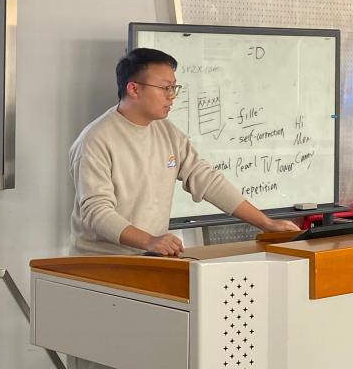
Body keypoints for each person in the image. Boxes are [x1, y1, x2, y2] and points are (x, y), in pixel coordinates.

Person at [69, 47, 300, 255]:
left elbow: (206, 179)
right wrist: (150, 241)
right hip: (102, 264)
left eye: (174, 88)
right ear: (134, 89)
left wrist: (266, 223)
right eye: (165, 88)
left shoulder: (168, 132)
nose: (172, 96)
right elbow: (96, 212)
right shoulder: (95, 140)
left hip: (149, 258)